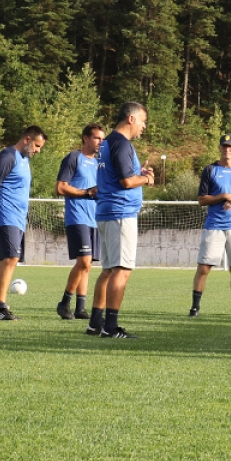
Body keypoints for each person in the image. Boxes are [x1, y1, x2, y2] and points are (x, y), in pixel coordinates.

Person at [87, 102, 154, 339]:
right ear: (131, 119)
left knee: (107, 270)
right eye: (143, 121)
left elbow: (120, 175)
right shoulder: (122, 144)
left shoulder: (107, 144)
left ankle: (96, 323)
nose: (144, 126)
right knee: (122, 270)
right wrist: (146, 180)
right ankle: (111, 327)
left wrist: (139, 173)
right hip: (120, 213)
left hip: (106, 211)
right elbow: (126, 182)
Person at [0, 126, 47, 321]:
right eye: (37, 145)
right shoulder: (8, 156)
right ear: (27, 139)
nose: (38, 150)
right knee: (9, 257)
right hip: (6, 213)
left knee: (12, 258)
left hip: (18, 217)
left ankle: (2, 307)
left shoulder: (25, 160)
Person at [190, 134, 231, 319]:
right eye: (224, 146)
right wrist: (225, 195)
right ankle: (195, 307)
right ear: (220, 148)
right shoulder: (210, 170)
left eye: (230, 146)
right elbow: (202, 199)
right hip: (214, 226)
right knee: (204, 268)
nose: (227, 149)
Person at [55, 123, 105, 321]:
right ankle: (64, 303)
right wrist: (86, 192)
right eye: (97, 138)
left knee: (88, 264)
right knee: (83, 261)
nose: (101, 142)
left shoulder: (100, 162)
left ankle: (80, 308)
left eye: (103, 139)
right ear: (86, 138)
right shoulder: (74, 158)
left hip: (95, 218)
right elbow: (60, 187)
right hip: (77, 217)